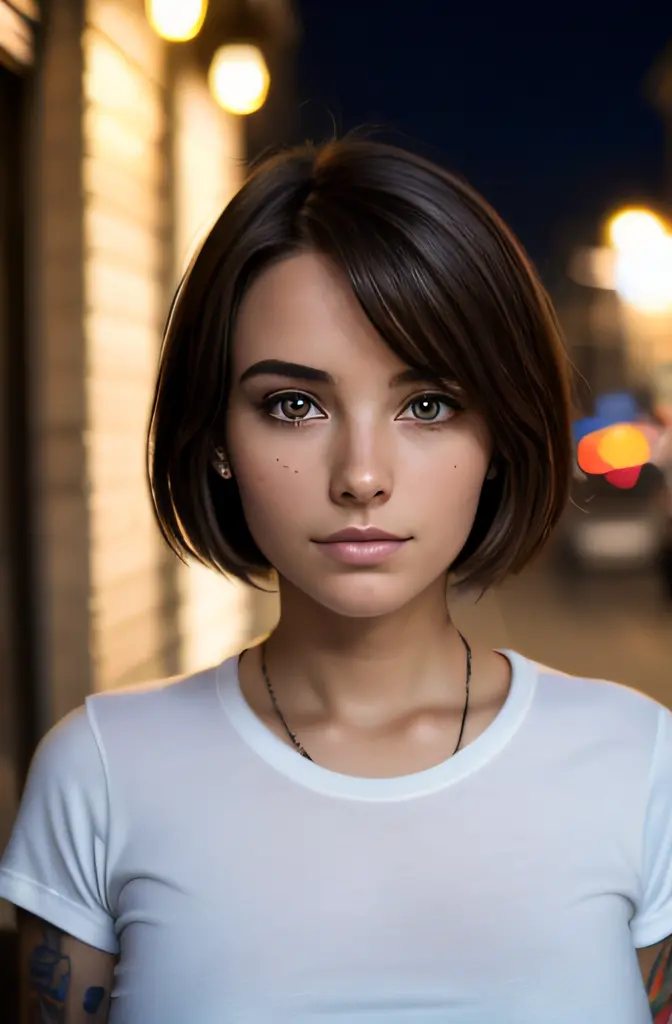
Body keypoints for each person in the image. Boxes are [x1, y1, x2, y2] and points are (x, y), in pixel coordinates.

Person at [1, 137, 672, 1024]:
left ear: (501, 437)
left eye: (426, 405)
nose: (362, 475)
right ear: (216, 441)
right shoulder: (101, 773)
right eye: (295, 405)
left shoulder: (641, 764)